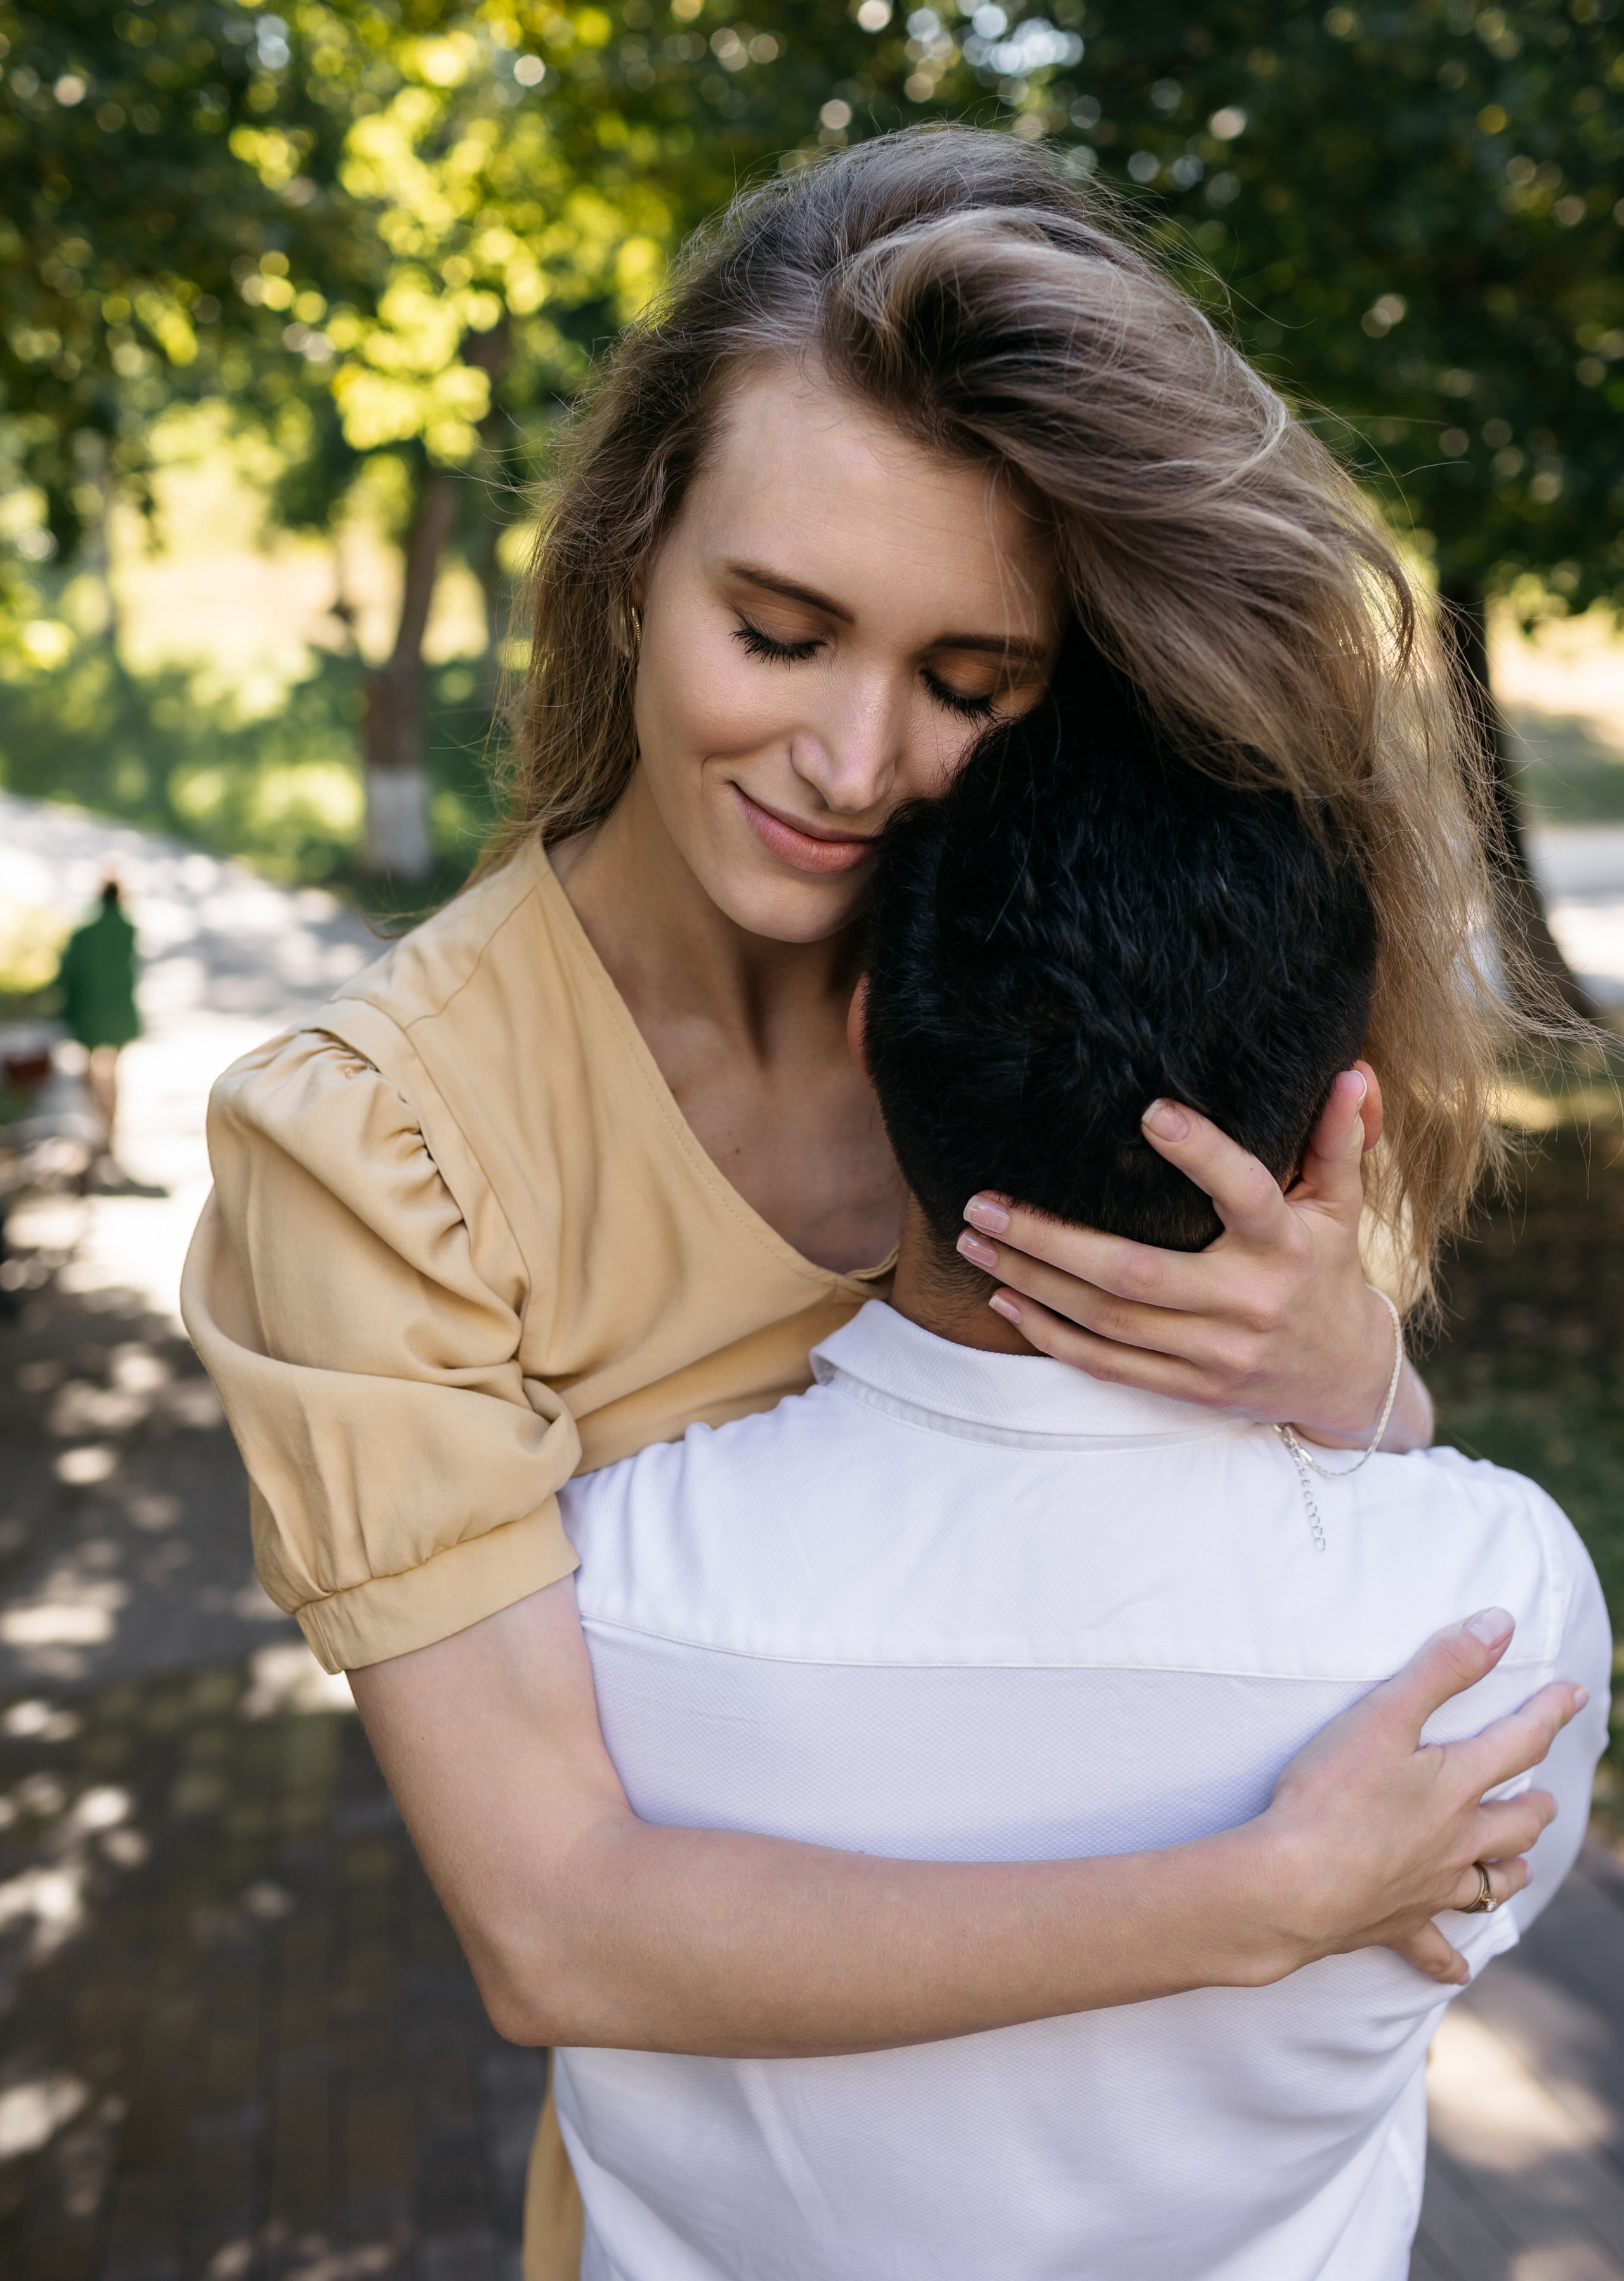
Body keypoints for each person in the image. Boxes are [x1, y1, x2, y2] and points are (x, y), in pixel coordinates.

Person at [180, 130, 1575, 2278]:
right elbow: (558, 1929)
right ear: (630, 556)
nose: (852, 759)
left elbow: (1321, 1528)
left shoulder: (1050, 963)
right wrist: (1260, 1907)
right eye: (779, 627)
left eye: (968, 683)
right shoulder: (380, 1155)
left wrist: (1357, 1374)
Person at [526, 674, 1609, 2280]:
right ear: (1341, 1110)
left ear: (862, 1029)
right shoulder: (1491, 1613)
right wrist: (1366, 1377)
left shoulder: (596, 1581)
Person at [56, 875, 142, 1183]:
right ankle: (108, 1136)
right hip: (118, 1013)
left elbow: (68, 971)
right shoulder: (128, 930)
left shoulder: (84, 931)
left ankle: (94, 1133)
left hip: (88, 1012)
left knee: (88, 1075)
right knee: (114, 1076)